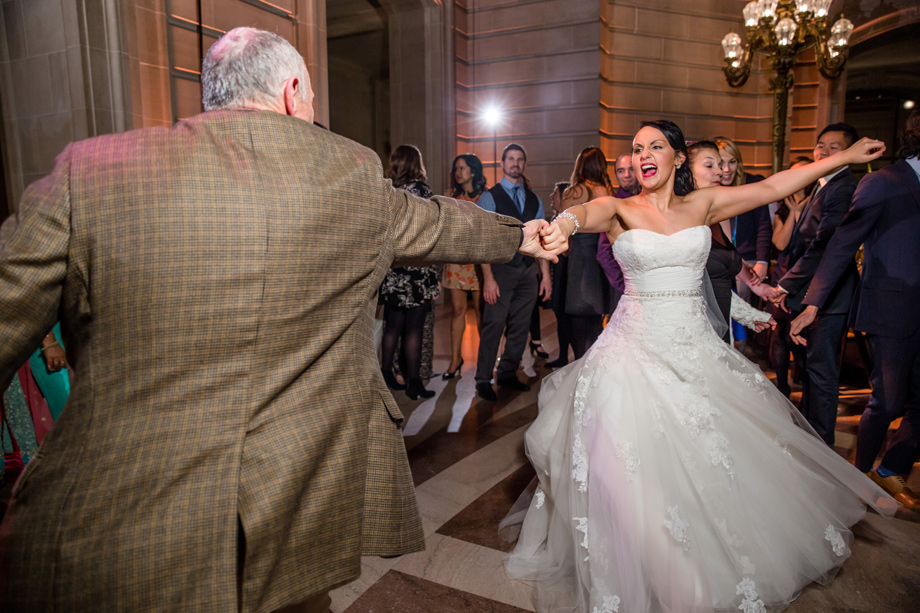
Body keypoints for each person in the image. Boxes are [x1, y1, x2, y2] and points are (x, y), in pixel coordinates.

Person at [0, 27, 559, 612]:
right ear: (293, 92)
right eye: (314, 97)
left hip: (106, 533)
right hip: (287, 520)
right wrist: (522, 237)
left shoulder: (89, 172)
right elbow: (441, 224)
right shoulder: (348, 172)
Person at [503, 119, 894, 613]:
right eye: (637, 147)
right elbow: (583, 212)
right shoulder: (620, 209)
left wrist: (843, 158)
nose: (644, 154)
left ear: (677, 157)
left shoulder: (703, 204)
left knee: (705, 468)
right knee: (626, 472)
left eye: (655, 146)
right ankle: (665, 576)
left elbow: (773, 186)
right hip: (630, 356)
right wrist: (558, 227)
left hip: (695, 355)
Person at [791, 109, 920, 510]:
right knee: (888, 399)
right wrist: (813, 302)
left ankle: (891, 468)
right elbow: (843, 242)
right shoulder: (882, 182)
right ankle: (861, 472)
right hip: (891, 309)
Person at [761, 123, 862, 446]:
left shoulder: (844, 186)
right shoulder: (821, 184)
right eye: (821, 146)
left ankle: (822, 442)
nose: (824, 152)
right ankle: (810, 433)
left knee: (821, 371)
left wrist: (787, 284)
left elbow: (825, 244)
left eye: (835, 147)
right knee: (807, 365)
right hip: (809, 291)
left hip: (829, 296)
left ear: (849, 153)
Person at [474, 144, 552, 401]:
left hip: (528, 272)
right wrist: (488, 278)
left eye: (520, 159)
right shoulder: (490, 197)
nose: (515, 163)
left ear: (524, 165)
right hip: (500, 270)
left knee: (520, 327)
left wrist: (546, 276)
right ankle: (483, 379)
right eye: (510, 159)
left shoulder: (534, 199)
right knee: (493, 325)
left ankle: (507, 373)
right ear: (502, 163)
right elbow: (482, 240)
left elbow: (542, 239)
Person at [686, 141, 774, 342]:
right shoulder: (676, 216)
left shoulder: (717, 215)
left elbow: (724, 266)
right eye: (710, 166)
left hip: (720, 321)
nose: (721, 171)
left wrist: (757, 288)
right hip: (693, 330)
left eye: (723, 164)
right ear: (686, 170)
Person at [378, 145, 440, 400]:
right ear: (418, 163)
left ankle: (386, 373)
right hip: (417, 268)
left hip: (394, 268)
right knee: (414, 329)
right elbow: (429, 231)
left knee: (392, 326)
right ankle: (414, 382)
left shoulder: (388, 190)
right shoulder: (422, 191)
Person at [551, 148, 617, 362]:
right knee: (597, 319)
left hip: (579, 256)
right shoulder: (607, 191)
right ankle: (594, 366)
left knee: (578, 318)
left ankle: (580, 367)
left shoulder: (572, 192)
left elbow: (564, 232)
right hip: (600, 257)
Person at [769, 156, 813, 397]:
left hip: (807, 279)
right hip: (784, 275)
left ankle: (807, 391)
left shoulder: (818, 203)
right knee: (779, 333)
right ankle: (782, 389)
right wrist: (794, 212)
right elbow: (779, 242)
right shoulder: (783, 208)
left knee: (801, 337)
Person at [442, 153, 488, 380]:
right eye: (456, 168)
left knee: (481, 312)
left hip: (478, 262)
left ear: (473, 171)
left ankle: (484, 362)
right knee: (457, 311)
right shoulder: (450, 196)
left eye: (463, 168)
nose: (458, 172)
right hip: (456, 260)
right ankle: (454, 361)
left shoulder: (485, 197)